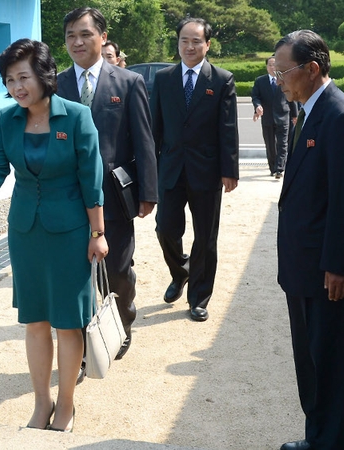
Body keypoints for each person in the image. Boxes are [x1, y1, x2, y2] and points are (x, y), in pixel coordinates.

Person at [0, 38, 107, 433]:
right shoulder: (6, 119)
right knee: (34, 321)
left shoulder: (77, 117)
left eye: (24, 77)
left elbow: (92, 179)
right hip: (26, 232)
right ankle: (41, 403)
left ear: (44, 75)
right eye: (10, 79)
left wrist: (98, 233)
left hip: (70, 233)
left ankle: (66, 405)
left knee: (68, 322)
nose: (17, 87)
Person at [56, 6, 157, 381]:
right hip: (65, 197)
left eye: (84, 34)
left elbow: (143, 139)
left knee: (116, 269)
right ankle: (81, 350)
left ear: (102, 36)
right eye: (70, 36)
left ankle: (123, 321)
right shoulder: (57, 82)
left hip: (113, 195)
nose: (77, 42)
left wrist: (148, 190)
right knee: (73, 276)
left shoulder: (128, 82)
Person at [274, 29, 344, 450]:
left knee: (329, 361)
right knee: (310, 360)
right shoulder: (308, 110)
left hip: (324, 270)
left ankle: (334, 440)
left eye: (283, 70)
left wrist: (340, 265)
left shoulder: (340, 115)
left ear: (312, 69)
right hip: (302, 265)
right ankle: (319, 435)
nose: (278, 78)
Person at [150, 17, 239, 322]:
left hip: (207, 172)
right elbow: (154, 128)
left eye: (196, 41)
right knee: (165, 229)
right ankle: (181, 271)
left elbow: (228, 129)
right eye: (184, 41)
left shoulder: (222, 80)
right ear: (178, 43)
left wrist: (230, 170)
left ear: (207, 44)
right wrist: (150, 170)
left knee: (205, 237)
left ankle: (199, 297)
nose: (190, 46)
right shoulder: (163, 79)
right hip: (171, 169)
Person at [251, 56, 298, 179]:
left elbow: (291, 97)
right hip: (267, 117)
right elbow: (255, 96)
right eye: (270, 65)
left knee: (283, 144)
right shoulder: (260, 81)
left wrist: (295, 115)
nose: (272, 67)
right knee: (270, 144)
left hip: (284, 115)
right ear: (267, 67)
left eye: (275, 64)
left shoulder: (285, 79)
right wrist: (257, 106)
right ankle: (273, 168)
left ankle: (280, 169)